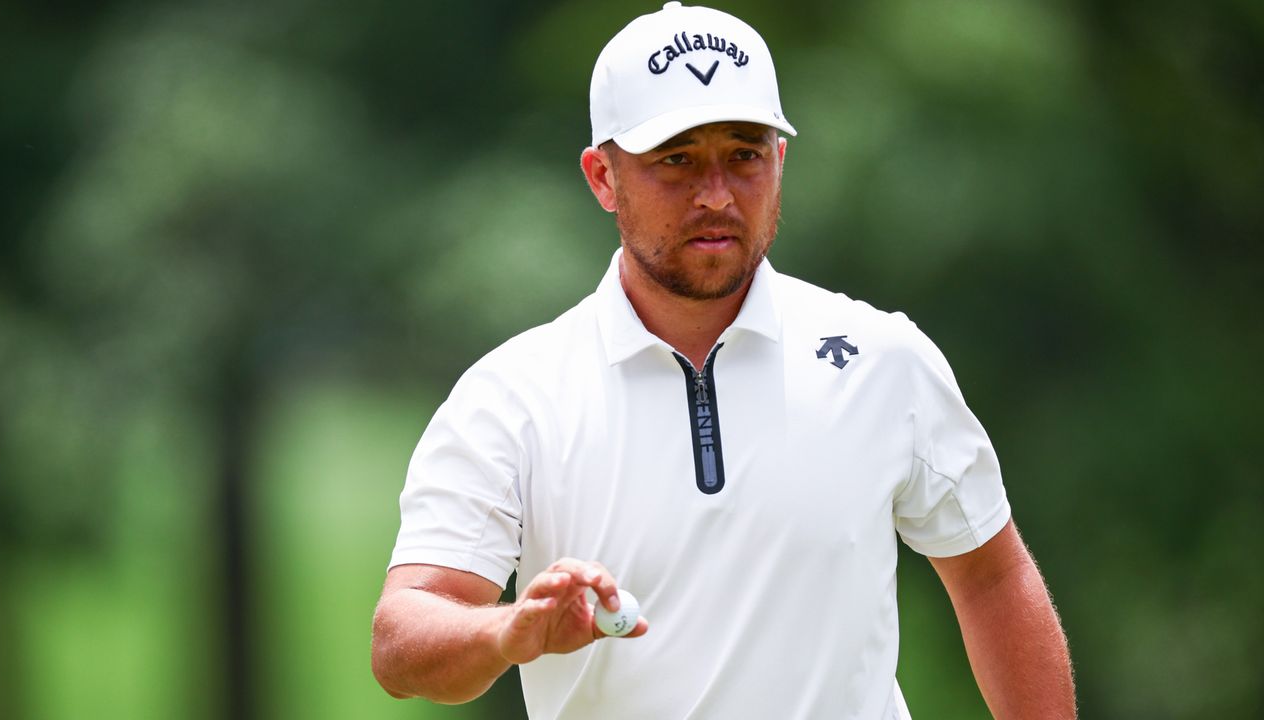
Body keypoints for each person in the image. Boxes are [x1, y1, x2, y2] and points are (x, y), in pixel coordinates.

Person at [371, 3, 1076, 718]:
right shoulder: (514, 397)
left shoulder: (880, 360)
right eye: (675, 160)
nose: (715, 194)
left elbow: (991, 577)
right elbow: (403, 642)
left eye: (743, 155)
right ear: (602, 177)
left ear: (779, 159)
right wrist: (506, 630)